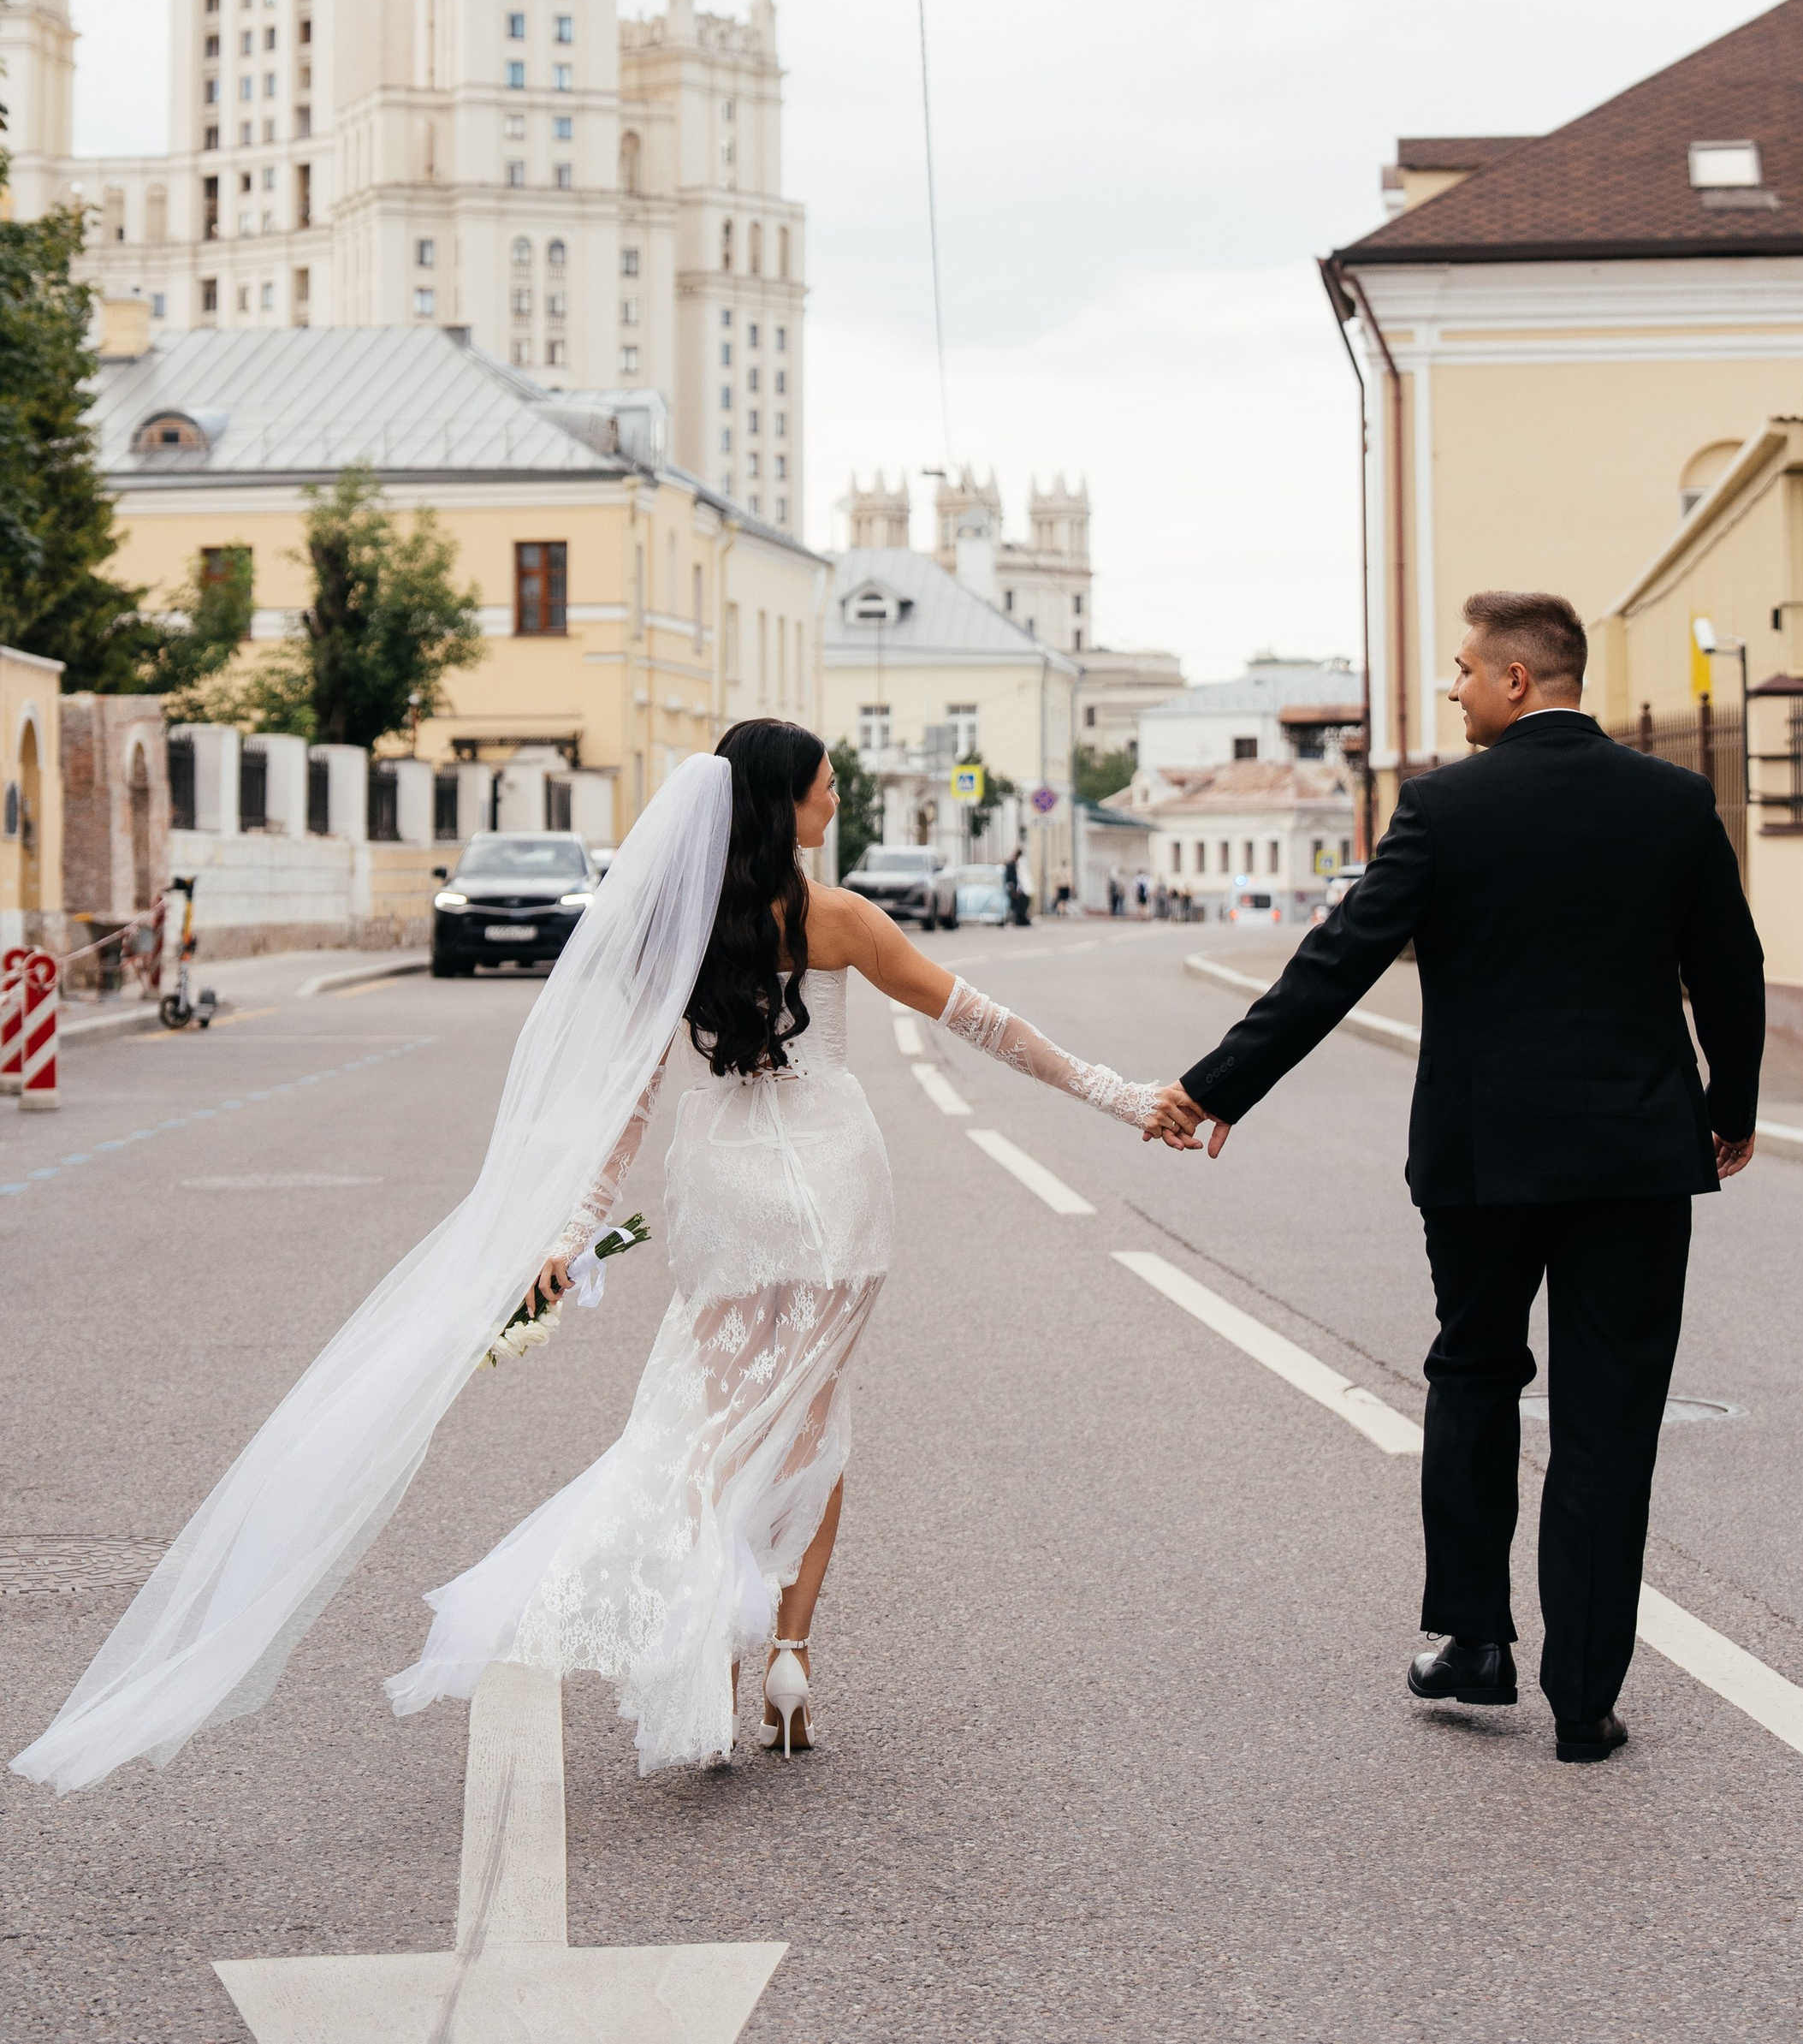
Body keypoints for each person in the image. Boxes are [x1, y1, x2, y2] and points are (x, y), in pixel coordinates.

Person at [14, 724, 1162, 1793]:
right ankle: (791, 1660)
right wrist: (1123, 1097)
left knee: (712, 1438)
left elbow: (623, 1112)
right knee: (816, 1424)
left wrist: (571, 1231)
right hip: (842, 1196)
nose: (835, 798)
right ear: (786, 801)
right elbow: (984, 1020)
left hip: (727, 1198)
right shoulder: (840, 918)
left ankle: (715, 1650)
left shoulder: (679, 934)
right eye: (824, 784)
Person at [1144, 588, 1764, 1766]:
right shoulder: (1676, 803)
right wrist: (1727, 1107)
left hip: (1484, 1160)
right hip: (1637, 1157)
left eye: (1467, 671)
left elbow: (1335, 961)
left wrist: (1217, 1086)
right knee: (1608, 1417)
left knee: (1475, 1374)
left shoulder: (1446, 807)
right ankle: (1585, 1699)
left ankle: (1476, 1641)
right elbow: (1730, 968)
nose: (1456, 689)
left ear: (1519, 679)